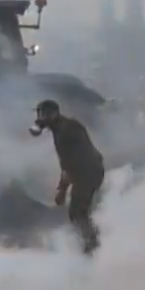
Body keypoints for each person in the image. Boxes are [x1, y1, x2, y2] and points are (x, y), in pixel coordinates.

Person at [30, 99, 105, 254]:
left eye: (43, 114)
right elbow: (68, 163)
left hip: (89, 171)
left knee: (78, 211)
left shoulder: (67, 129)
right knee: (77, 212)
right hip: (86, 171)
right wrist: (63, 188)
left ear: (54, 114)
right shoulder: (61, 129)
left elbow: (74, 160)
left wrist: (63, 189)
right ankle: (92, 239)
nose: (40, 118)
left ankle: (92, 244)